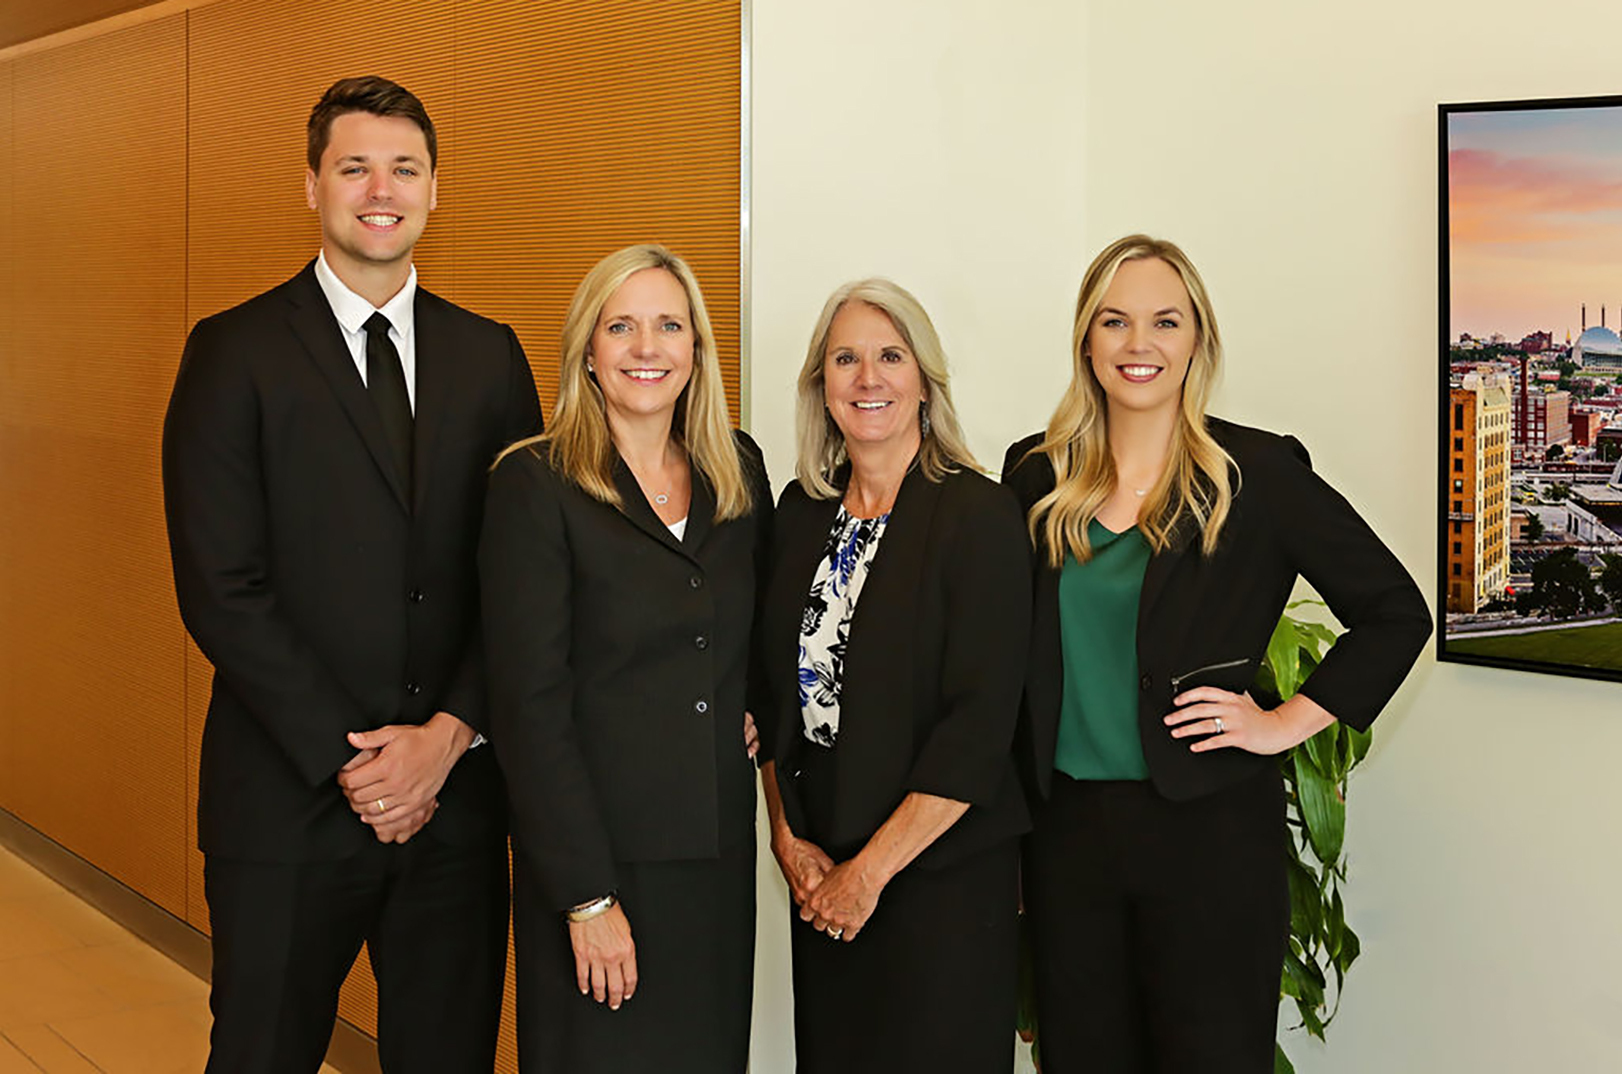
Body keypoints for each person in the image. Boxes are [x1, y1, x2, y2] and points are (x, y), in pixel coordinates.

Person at [161, 76, 540, 1072]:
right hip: (284, 802)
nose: (382, 187)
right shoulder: (232, 351)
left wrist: (445, 740)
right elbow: (220, 584)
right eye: (355, 165)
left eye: (404, 167)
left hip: (454, 806)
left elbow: (523, 582)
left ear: (433, 189)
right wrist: (359, 762)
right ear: (313, 185)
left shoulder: (491, 359)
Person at [1003, 234, 1431, 1073]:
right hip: (1066, 841)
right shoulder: (1035, 476)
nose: (1140, 345)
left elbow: (1395, 612)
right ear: (1087, 340)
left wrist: (1280, 726)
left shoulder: (1258, 472)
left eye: (1166, 321)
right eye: (1116, 322)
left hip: (1207, 834)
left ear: (1197, 338)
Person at [479, 243, 768, 1073]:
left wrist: (756, 707)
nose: (647, 348)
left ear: (697, 350)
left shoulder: (736, 471)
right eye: (622, 326)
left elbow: (758, 625)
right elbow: (528, 704)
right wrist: (585, 895)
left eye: (669, 325)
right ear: (589, 352)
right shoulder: (535, 484)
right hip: (597, 859)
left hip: (713, 858)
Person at [756, 279, 1032, 1073]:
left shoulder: (978, 515)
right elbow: (771, 697)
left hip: (940, 878)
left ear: (924, 382)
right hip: (825, 874)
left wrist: (867, 875)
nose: (867, 378)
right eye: (845, 359)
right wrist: (787, 838)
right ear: (821, 385)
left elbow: (980, 726)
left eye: (889, 356)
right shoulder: (800, 514)